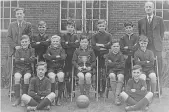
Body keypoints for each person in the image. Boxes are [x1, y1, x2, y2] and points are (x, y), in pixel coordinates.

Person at [138, 1, 165, 94]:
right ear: (144, 8)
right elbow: (140, 35)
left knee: (158, 66)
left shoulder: (159, 19)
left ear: (153, 8)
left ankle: (159, 90)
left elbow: (162, 33)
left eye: (150, 7)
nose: (148, 8)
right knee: (146, 66)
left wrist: (157, 42)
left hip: (157, 48)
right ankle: (147, 89)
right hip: (146, 48)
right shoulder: (141, 21)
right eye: (147, 7)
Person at [91, 19, 112, 97]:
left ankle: (103, 91)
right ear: (97, 27)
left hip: (105, 56)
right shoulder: (94, 35)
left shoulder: (109, 35)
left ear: (105, 26)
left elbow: (109, 45)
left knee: (104, 74)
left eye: (103, 26)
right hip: (97, 56)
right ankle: (97, 90)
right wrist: (103, 47)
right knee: (97, 74)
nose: (102, 27)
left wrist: (100, 45)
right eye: (100, 26)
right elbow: (93, 45)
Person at [13, 35, 35, 106]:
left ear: (28, 42)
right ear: (20, 42)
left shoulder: (32, 50)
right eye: (23, 42)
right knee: (17, 77)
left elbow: (33, 59)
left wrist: (22, 59)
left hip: (28, 69)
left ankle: (24, 98)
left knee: (26, 77)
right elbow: (16, 61)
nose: (24, 43)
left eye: (26, 42)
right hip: (18, 68)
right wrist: (27, 59)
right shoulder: (18, 50)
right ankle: (17, 98)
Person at [44, 35, 66, 105]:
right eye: (54, 41)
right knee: (52, 77)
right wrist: (57, 57)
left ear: (59, 42)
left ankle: (58, 97)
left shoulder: (61, 49)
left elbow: (63, 57)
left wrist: (52, 58)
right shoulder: (49, 49)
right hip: (51, 68)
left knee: (61, 76)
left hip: (59, 68)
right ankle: (52, 97)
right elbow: (47, 57)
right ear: (51, 42)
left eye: (57, 41)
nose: (55, 42)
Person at [61, 19, 80, 97]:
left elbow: (77, 45)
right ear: (66, 27)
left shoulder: (75, 36)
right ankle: (67, 91)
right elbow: (63, 45)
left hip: (73, 57)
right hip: (66, 57)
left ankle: (72, 91)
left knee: (72, 75)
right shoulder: (64, 36)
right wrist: (71, 44)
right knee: (67, 74)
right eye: (68, 27)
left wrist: (68, 43)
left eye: (71, 27)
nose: (70, 28)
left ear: (74, 28)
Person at [105, 40, 125, 105]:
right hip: (111, 70)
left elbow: (122, 65)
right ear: (111, 47)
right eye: (114, 46)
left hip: (120, 70)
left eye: (117, 46)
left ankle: (116, 97)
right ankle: (117, 97)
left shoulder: (121, 55)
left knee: (121, 77)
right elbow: (107, 64)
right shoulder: (108, 55)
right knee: (112, 76)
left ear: (119, 47)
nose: (116, 47)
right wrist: (117, 63)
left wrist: (112, 63)